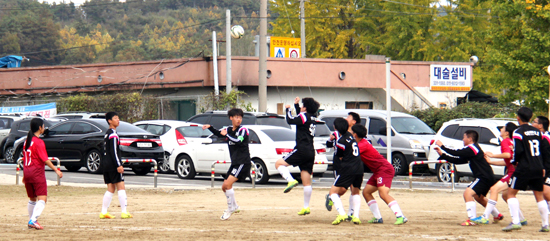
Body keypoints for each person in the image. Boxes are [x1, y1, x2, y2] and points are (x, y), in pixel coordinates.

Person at [434, 130, 502, 226]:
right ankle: (497, 215)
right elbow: (457, 160)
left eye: (464, 137)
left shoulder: (472, 148)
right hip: (487, 176)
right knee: (479, 197)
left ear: (470, 139)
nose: (462, 139)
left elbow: (456, 153)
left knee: (467, 193)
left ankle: (472, 219)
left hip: (483, 177)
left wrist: (442, 146)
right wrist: (442, 154)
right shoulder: (472, 150)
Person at [502, 108, 550, 232]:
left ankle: (516, 221)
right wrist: (544, 166)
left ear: (518, 117)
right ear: (530, 118)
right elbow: (543, 150)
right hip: (538, 167)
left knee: (510, 194)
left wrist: (514, 161)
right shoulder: (537, 132)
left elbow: (518, 151)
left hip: (524, 167)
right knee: (539, 196)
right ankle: (545, 225)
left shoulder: (518, 132)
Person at [350, 124, 408, 225]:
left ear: (355, 135)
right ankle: (377, 217)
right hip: (377, 171)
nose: (349, 133)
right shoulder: (360, 143)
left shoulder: (362, 145)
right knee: (366, 192)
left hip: (384, 169)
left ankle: (401, 216)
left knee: (383, 194)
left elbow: (350, 154)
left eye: (351, 132)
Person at [472, 122, 527, 225]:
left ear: (507, 132)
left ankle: (485, 217)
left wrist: (493, 155)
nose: (501, 129)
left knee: (494, 189)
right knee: (506, 196)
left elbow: (506, 155)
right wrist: (492, 162)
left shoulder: (505, 141)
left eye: (503, 128)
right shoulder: (511, 141)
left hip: (512, 173)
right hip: (516, 172)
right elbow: (508, 160)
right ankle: (522, 218)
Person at [202, 108, 251, 220]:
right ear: (231, 118)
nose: (239, 120)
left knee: (228, 185)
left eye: (240, 117)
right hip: (235, 163)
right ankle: (234, 206)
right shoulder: (228, 129)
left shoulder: (243, 130)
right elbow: (220, 134)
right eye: (236, 117)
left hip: (243, 162)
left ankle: (230, 209)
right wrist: (210, 127)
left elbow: (238, 141)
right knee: (224, 187)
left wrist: (227, 135)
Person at [275, 96, 320, 215]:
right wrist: (296, 105)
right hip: (311, 150)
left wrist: (288, 109)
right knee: (306, 181)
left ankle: (290, 180)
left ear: (305, 108)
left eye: (302, 105)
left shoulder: (303, 116)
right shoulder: (312, 117)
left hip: (302, 149)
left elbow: (290, 120)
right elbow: (301, 117)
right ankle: (306, 207)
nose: (301, 107)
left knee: (279, 164)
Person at [23, 118, 63, 230]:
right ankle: (33, 220)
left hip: (27, 171)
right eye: (43, 126)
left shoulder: (27, 141)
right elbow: (45, 159)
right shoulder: (39, 142)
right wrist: (56, 169)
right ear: (40, 128)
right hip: (36, 172)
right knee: (42, 199)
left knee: (32, 199)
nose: (44, 128)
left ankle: (31, 220)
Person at [325, 112, 362, 220]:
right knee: (355, 191)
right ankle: (355, 216)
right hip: (359, 166)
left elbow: (340, 156)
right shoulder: (352, 135)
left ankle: (343, 213)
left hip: (347, 167)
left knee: (333, 192)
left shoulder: (341, 140)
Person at [100, 112, 132, 219]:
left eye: (118, 118)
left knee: (110, 188)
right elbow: (114, 151)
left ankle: (104, 212)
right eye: (115, 118)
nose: (118, 120)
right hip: (113, 164)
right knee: (121, 186)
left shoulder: (107, 133)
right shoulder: (113, 134)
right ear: (109, 121)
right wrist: (119, 164)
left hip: (106, 164)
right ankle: (124, 212)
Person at [531, 116, 550, 211]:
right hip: (543, 169)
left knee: (546, 192)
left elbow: (545, 157)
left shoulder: (545, 139)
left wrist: (544, 169)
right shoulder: (541, 137)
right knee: (541, 192)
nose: (532, 124)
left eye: (534, 122)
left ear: (540, 126)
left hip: (547, 170)